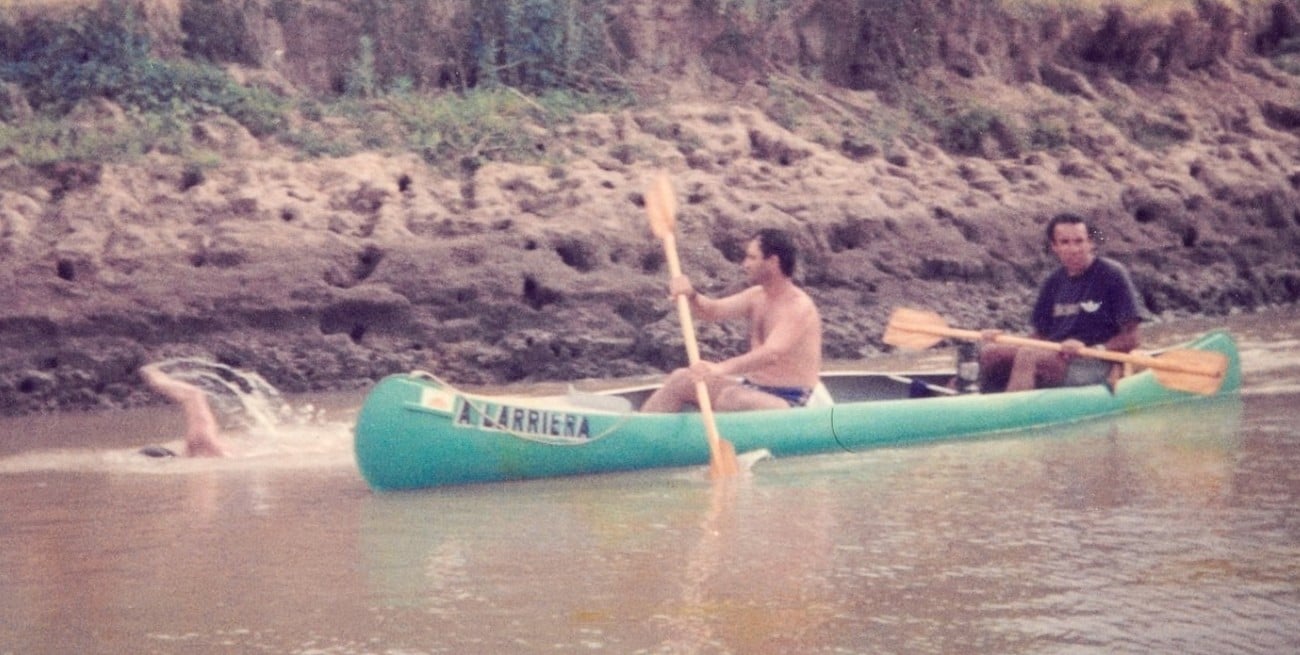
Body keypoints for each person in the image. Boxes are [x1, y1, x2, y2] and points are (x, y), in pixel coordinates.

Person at [641, 228, 823, 412]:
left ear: (773, 262)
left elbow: (770, 354)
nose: (745, 264)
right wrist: (691, 295)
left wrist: (720, 368)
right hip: (753, 388)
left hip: (791, 400)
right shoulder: (756, 296)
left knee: (732, 398)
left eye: (752, 258)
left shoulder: (798, 307)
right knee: (681, 379)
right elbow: (712, 311)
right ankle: (643, 427)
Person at [978, 213, 1144, 392]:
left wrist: (1096, 349)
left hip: (1094, 361)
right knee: (991, 352)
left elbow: (1133, 338)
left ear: (1090, 243)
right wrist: (1005, 340)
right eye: (1065, 242)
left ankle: (1014, 407)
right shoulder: (1053, 282)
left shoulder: (1112, 274)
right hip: (1055, 357)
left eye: (1079, 241)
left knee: (1028, 355)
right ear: (1054, 247)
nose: (1074, 249)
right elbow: (1040, 337)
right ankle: (990, 403)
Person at [139, 364, 227, 457]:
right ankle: (152, 374)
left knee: (194, 395)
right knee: (194, 395)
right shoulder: (201, 440)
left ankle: (153, 375)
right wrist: (154, 376)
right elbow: (191, 394)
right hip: (203, 442)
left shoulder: (195, 449)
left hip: (203, 446)